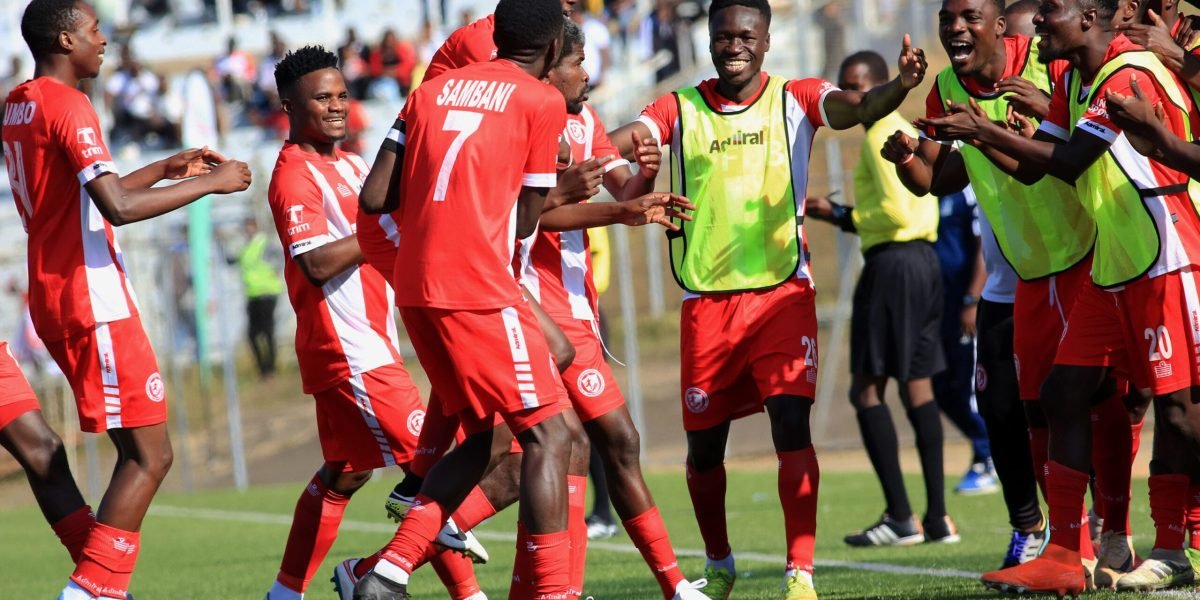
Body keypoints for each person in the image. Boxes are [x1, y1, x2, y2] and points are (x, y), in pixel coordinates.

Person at [607, 0, 928, 597]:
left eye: (746, 36)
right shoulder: (678, 107)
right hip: (707, 305)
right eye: (723, 36)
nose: (735, 46)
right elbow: (624, 140)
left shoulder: (797, 97)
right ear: (708, 41)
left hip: (782, 295)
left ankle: (798, 572)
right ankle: (719, 558)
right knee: (705, 450)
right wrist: (590, 152)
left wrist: (901, 85)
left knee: (790, 423)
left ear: (767, 40)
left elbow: (859, 107)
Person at [919, 0, 1200, 593]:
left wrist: (980, 129)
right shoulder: (1074, 80)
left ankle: (1178, 544)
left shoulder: (1128, 73)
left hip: (1166, 252)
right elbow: (1032, 169)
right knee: (1061, 392)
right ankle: (1066, 553)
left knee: (1179, 408)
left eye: (1051, 13)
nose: (1038, 24)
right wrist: (982, 137)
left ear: (1091, 19)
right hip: (1114, 259)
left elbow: (1072, 161)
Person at [4, 2, 251, 599]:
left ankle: (100, 586)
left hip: (56, 292)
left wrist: (165, 168)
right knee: (150, 456)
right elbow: (116, 207)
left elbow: (80, 198)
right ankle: (91, 590)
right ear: (66, 39)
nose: (105, 40)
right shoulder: (69, 103)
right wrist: (209, 184)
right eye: (94, 30)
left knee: (122, 452)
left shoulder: (18, 101)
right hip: (93, 297)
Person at [880, 0, 1119, 576]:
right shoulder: (943, 87)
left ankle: (1115, 530)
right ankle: (1039, 536)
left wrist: (987, 132)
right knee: (1012, 406)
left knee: (1104, 399)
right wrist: (907, 159)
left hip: (1085, 256)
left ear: (997, 24)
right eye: (945, 19)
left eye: (967, 17)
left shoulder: (1044, 62)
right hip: (1017, 271)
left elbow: (1049, 162)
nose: (954, 28)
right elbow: (942, 176)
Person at [351, 1, 576, 598]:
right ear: (553, 50)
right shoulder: (543, 101)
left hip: (416, 288)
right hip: (477, 287)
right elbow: (526, 220)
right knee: (551, 437)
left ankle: (388, 573)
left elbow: (375, 196)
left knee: (483, 438)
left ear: (495, 35)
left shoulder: (432, 90)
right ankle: (555, 592)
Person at [261, 46, 485, 600]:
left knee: (344, 475)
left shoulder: (356, 165)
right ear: (289, 105)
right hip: (349, 351)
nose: (337, 106)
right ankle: (405, 581)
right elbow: (314, 264)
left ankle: (285, 593)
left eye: (341, 94)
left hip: (367, 345)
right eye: (322, 97)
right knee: (441, 473)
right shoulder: (294, 175)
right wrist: (387, 227)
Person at [513, 18, 709, 599]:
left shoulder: (585, 120)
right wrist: (621, 210)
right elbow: (535, 217)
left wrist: (646, 168)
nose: (587, 74)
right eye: (577, 63)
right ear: (551, 66)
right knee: (602, 442)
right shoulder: (531, 124)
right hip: (538, 301)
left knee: (561, 451)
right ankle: (673, 586)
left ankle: (550, 588)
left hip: (577, 305)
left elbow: (625, 190)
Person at [806, 50, 959, 549]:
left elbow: (895, 211)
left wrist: (842, 214)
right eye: (846, 87)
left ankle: (900, 515)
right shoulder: (898, 127)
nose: (855, 97)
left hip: (893, 266)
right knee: (918, 390)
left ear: (879, 86)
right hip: (925, 263)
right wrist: (839, 213)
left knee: (866, 390)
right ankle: (937, 518)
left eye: (860, 86)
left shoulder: (878, 133)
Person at [931, 186, 996, 497]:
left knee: (970, 387)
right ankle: (988, 450)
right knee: (939, 387)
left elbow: (984, 243)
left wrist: (972, 299)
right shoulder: (930, 187)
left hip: (962, 304)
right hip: (937, 307)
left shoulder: (967, 189)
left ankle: (987, 457)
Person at [229, 217, 283, 379]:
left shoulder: (264, 243)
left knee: (267, 332)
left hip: (267, 293)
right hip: (252, 295)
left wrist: (275, 271)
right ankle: (263, 369)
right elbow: (231, 260)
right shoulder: (246, 247)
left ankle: (270, 368)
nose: (248, 230)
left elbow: (280, 258)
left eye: (250, 227)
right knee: (253, 335)